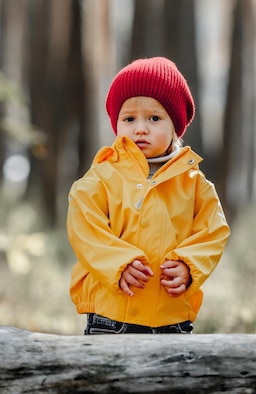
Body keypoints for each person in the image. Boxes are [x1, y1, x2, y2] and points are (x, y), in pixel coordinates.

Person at [67, 57, 230, 335]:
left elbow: (212, 232)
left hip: (172, 320)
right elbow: (85, 229)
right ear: (116, 124)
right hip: (110, 317)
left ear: (174, 126)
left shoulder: (194, 183)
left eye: (154, 118)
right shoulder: (101, 177)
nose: (140, 128)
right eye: (129, 119)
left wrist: (190, 265)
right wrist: (119, 262)